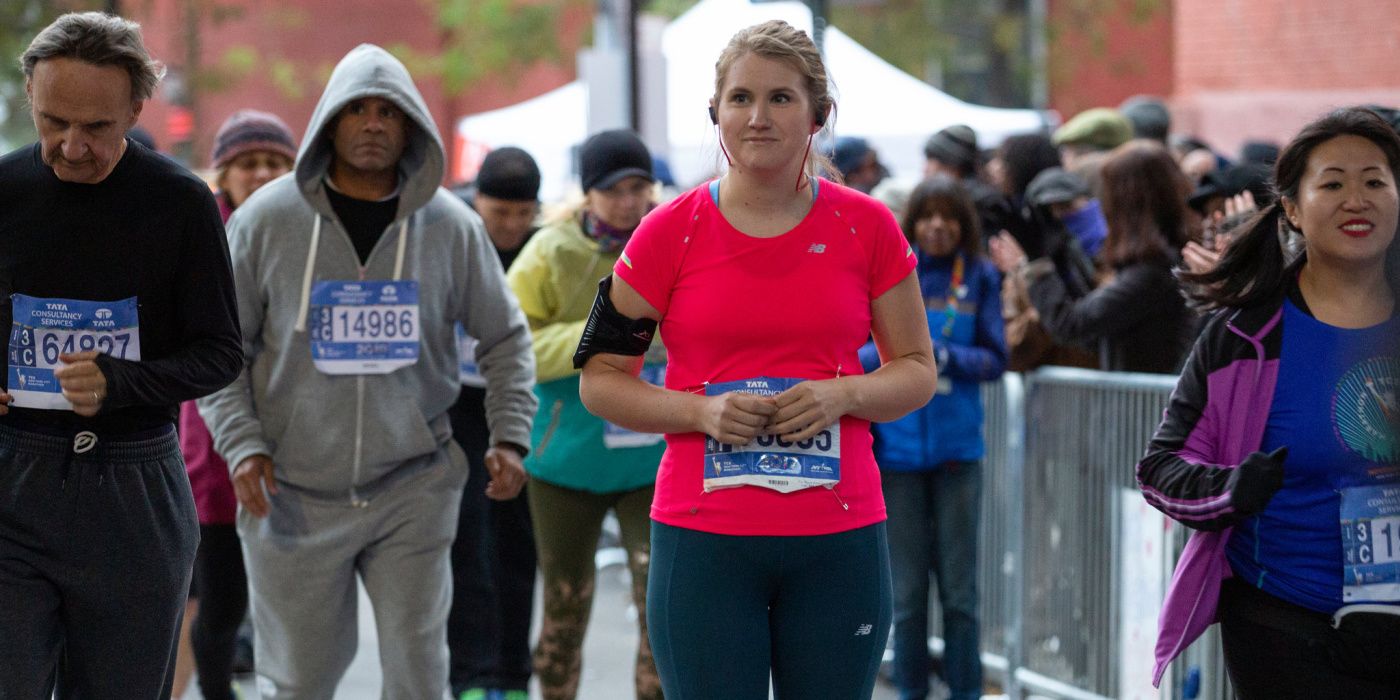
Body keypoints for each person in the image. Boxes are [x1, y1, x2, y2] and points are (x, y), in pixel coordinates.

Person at [577, 20, 937, 699]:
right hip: (704, 538)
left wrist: (844, 395)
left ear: (819, 114)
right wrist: (698, 410)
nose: (758, 117)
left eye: (780, 98)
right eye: (740, 98)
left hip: (838, 535)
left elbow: (916, 369)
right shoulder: (667, 231)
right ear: (715, 113)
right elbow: (600, 381)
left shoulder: (868, 227)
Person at [196, 44, 537, 699]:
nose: (373, 123)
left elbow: (505, 337)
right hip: (292, 492)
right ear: (331, 122)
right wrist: (242, 445)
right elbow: (219, 351)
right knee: (299, 681)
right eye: (357, 110)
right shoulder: (265, 222)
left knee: (418, 675)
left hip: (413, 485)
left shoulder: (451, 228)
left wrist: (509, 435)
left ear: (411, 124)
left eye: (389, 110)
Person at [0, 12, 243, 697]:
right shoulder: (5, 191)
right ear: (30, 101)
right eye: (53, 123)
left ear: (136, 108)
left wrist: (123, 382)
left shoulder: (181, 203)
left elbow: (222, 353)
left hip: (133, 487)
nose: (72, 147)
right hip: (13, 475)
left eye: (97, 129)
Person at [1138, 107, 1400, 697]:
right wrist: (1231, 489)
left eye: (1375, 181)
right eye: (1332, 183)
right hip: (1286, 629)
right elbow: (1161, 468)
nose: (1356, 198)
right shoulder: (1245, 338)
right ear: (1291, 209)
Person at [505, 129, 665, 700]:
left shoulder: (673, 240)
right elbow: (511, 347)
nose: (627, 201)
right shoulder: (549, 250)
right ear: (588, 193)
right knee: (565, 607)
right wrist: (607, 340)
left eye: (638, 187)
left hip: (650, 459)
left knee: (660, 609)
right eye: (613, 189)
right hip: (564, 464)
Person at [859, 175, 1006, 700]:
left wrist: (943, 359)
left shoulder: (982, 278)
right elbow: (858, 354)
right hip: (896, 457)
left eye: (948, 216)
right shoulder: (891, 276)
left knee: (961, 595)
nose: (937, 226)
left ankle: (965, 693)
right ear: (913, 224)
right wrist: (902, 361)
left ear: (962, 224)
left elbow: (995, 358)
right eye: (927, 216)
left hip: (957, 456)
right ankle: (911, 694)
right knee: (908, 595)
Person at [171, 108, 297, 700]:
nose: (262, 172)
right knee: (219, 601)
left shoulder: (305, 230)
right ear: (225, 171)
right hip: (214, 441)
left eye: (275, 161)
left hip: (294, 435)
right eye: (249, 163)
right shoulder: (200, 230)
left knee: (285, 603)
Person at [447, 146, 543, 700]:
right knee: (467, 539)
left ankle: (512, 673)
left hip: (519, 407)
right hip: (457, 407)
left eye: (521, 214)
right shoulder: (455, 236)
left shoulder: (542, 247)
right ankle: (471, 674)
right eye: (498, 213)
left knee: (517, 543)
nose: (510, 226)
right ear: (476, 201)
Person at [990, 140, 1193, 373]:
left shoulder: (1151, 273)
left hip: (1145, 404)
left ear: (1126, 201)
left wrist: (1039, 264)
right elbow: (1093, 333)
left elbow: (1072, 325)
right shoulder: (1158, 263)